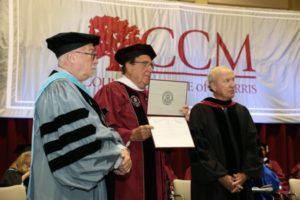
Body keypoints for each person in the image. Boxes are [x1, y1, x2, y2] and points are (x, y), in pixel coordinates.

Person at [27, 32, 132, 200]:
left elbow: (90, 131)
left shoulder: (70, 89)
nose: (96, 60)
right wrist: (117, 156)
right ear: (72, 57)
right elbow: (80, 144)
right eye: (91, 54)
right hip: (65, 191)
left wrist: (118, 149)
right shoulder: (60, 90)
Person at [94, 44, 167, 200]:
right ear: (128, 65)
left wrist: (178, 120)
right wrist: (131, 135)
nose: (150, 69)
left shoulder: (151, 97)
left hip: (154, 171)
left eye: (151, 65)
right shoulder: (112, 91)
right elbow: (100, 130)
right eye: (145, 64)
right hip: (127, 174)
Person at [188, 66, 262, 200]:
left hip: (241, 184)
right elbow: (200, 149)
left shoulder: (242, 111)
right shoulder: (200, 111)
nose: (232, 84)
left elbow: (253, 145)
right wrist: (221, 176)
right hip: (213, 186)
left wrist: (245, 174)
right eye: (226, 81)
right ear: (213, 86)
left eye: (233, 80)